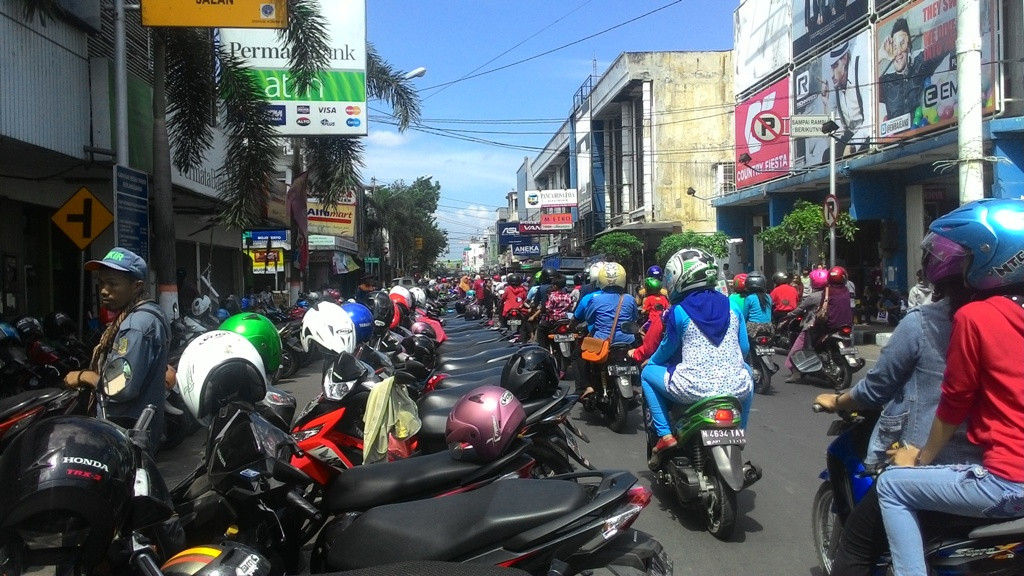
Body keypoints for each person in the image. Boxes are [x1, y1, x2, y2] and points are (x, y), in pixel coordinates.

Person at [812, 226, 985, 576]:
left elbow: (878, 388)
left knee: (855, 548)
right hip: (997, 469)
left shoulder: (925, 323)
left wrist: (839, 400)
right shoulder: (1007, 319)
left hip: (942, 469)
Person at [876, 198, 1024, 576]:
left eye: (964, 256)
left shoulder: (976, 316)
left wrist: (920, 458)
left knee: (891, 485)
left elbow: (955, 400)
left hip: (1009, 483)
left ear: (993, 258)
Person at [641, 248, 752, 468]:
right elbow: (744, 348)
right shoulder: (733, 305)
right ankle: (741, 430)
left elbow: (667, 350)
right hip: (736, 389)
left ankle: (665, 435)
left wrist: (651, 362)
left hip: (691, 389)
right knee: (747, 371)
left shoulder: (679, 311)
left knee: (646, 374)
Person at [64, 247, 170, 455]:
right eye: (101, 283)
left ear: (136, 286)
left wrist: (85, 376)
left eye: (112, 284)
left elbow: (120, 387)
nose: (104, 290)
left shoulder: (135, 325)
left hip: (127, 432)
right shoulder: (150, 312)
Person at [571, 262, 638, 397]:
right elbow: (634, 318)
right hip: (627, 341)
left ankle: (587, 387)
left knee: (577, 354)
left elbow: (589, 318)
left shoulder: (595, 300)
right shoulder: (629, 299)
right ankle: (636, 383)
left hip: (602, 342)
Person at [878, 17, 954, 122]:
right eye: (894, 48)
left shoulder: (919, 66)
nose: (898, 52)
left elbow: (942, 46)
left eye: (902, 44)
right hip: (896, 133)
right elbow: (861, 90)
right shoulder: (886, 83)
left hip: (922, 129)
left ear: (909, 46)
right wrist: (879, 56)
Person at [822, 39, 871, 157]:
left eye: (835, 66)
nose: (832, 74)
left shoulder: (860, 70)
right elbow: (832, 138)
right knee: (827, 155)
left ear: (844, 59)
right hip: (850, 136)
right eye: (831, 68)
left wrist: (853, 145)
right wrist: (825, 103)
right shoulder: (834, 86)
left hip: (867, 134)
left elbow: (870, 120)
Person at [784, 268, 828, 383]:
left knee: (796, 350)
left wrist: (788, 315)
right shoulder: (831, 294)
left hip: (812, 326)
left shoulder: (813, 297)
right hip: (828, 326)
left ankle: (796, 372)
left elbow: (799, 309)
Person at [741, 271, 773, 338]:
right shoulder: (768, 297)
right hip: (768, 328)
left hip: (754, 328)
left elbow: (744, 316)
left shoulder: (749, 298)